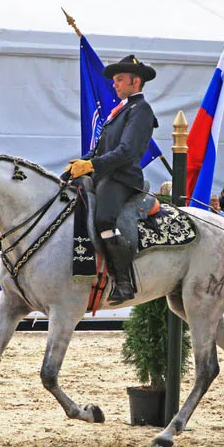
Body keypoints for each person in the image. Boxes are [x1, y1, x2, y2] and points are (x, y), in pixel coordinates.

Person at [65, 54, 158, 305]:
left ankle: (123, 280)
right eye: (115, 80)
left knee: (104, 219)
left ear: (135, 82)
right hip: (104, 175)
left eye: (119, 80)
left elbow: (126, 152)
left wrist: (91, 165)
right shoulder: (120, 110)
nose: (114, 85)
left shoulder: (141, 110)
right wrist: (79, 165)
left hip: (122, 179)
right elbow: (99, 150)